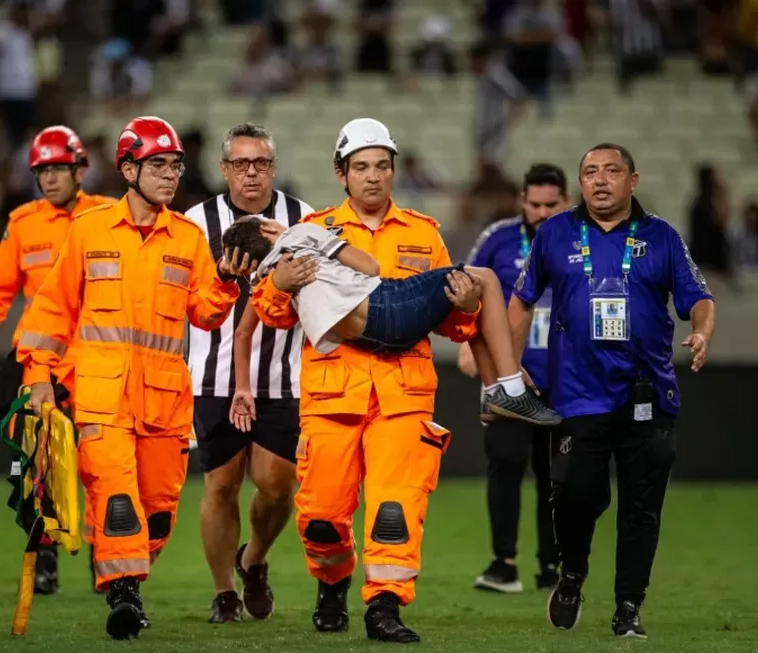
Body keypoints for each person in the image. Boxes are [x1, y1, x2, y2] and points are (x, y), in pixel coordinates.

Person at [248, 117, 538, 644]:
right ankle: (332, 583)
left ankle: (384, 606)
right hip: (332, 395)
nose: (373, 177)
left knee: (394, 510)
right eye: (361, 167)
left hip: (403, 395)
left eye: (382, 166)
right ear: (342, 174)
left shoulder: (424, 233)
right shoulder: (317, 227)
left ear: (394, 171)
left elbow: (450, 322)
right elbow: (273, 313)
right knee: (320, 516)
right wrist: (280, 285)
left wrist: (468, 307)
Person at [15, 116, 255, 641]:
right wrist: (37, 377)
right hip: (101, 398)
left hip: (165, 405)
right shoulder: (88, 231)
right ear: (128, 169)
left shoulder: (189, 238)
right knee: (118, 500)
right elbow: (52, 311)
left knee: (158, 515)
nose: (170, 175)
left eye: (175, 166)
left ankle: (119, 567)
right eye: (158, 165)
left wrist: (227, 281)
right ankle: (124, 593)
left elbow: (206, 315)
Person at [508, 143, 716, 639]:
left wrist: (703, 333)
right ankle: (573, 574)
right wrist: (510, 367)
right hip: (577, 395)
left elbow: (700, 299)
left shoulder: (661, 236)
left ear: (633, 180)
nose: (600, 180)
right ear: (580, 184)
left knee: (641, 507)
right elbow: (520, 302)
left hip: (647, 394)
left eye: (611, 171)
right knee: (576, 493)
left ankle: (629, 605)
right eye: (589, 173)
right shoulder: (555, 233)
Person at [0, 125, 114, 596]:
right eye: (42, 171)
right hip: (41, 364)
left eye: (57, 169)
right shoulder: (23, 225)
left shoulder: (110, 217)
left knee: (101, 464)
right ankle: (43, 555)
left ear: (80, 169)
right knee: (39, 467)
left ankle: (105, 557)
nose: (49, 179)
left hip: (96, 359)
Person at [225, 216, 560, 426]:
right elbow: (370, 267)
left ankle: (494, 394)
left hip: (370, 338)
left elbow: (256, 324)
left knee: (470, 291)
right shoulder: (300, 234)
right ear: (268, 228)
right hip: (388, 304)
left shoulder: (268, 280)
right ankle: (510, 388)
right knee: (484, 279)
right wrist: (310, 236)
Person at [183, 123, 314, 624]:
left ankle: (253, 557)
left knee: (278, 485)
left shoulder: (301, 218)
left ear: (273, 168)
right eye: (241, 163)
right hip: (213, 375)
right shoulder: (196, 223)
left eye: (260, 162)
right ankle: (223, 593)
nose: (251, 172)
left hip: (283, 375)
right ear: (224, 170)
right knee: (221, 483)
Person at [461, 163, 570, 594]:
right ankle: (503, 564)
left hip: (565, 382)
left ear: (566, 202)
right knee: (505, 466)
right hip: (508, 382)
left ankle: (553, 567)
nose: (542, 213)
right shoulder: (498, 238)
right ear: (523, 201)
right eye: (535, 204)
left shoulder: (582, 239)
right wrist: (473, 350)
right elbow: (465, 290)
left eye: (551, 204)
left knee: (556, 477)